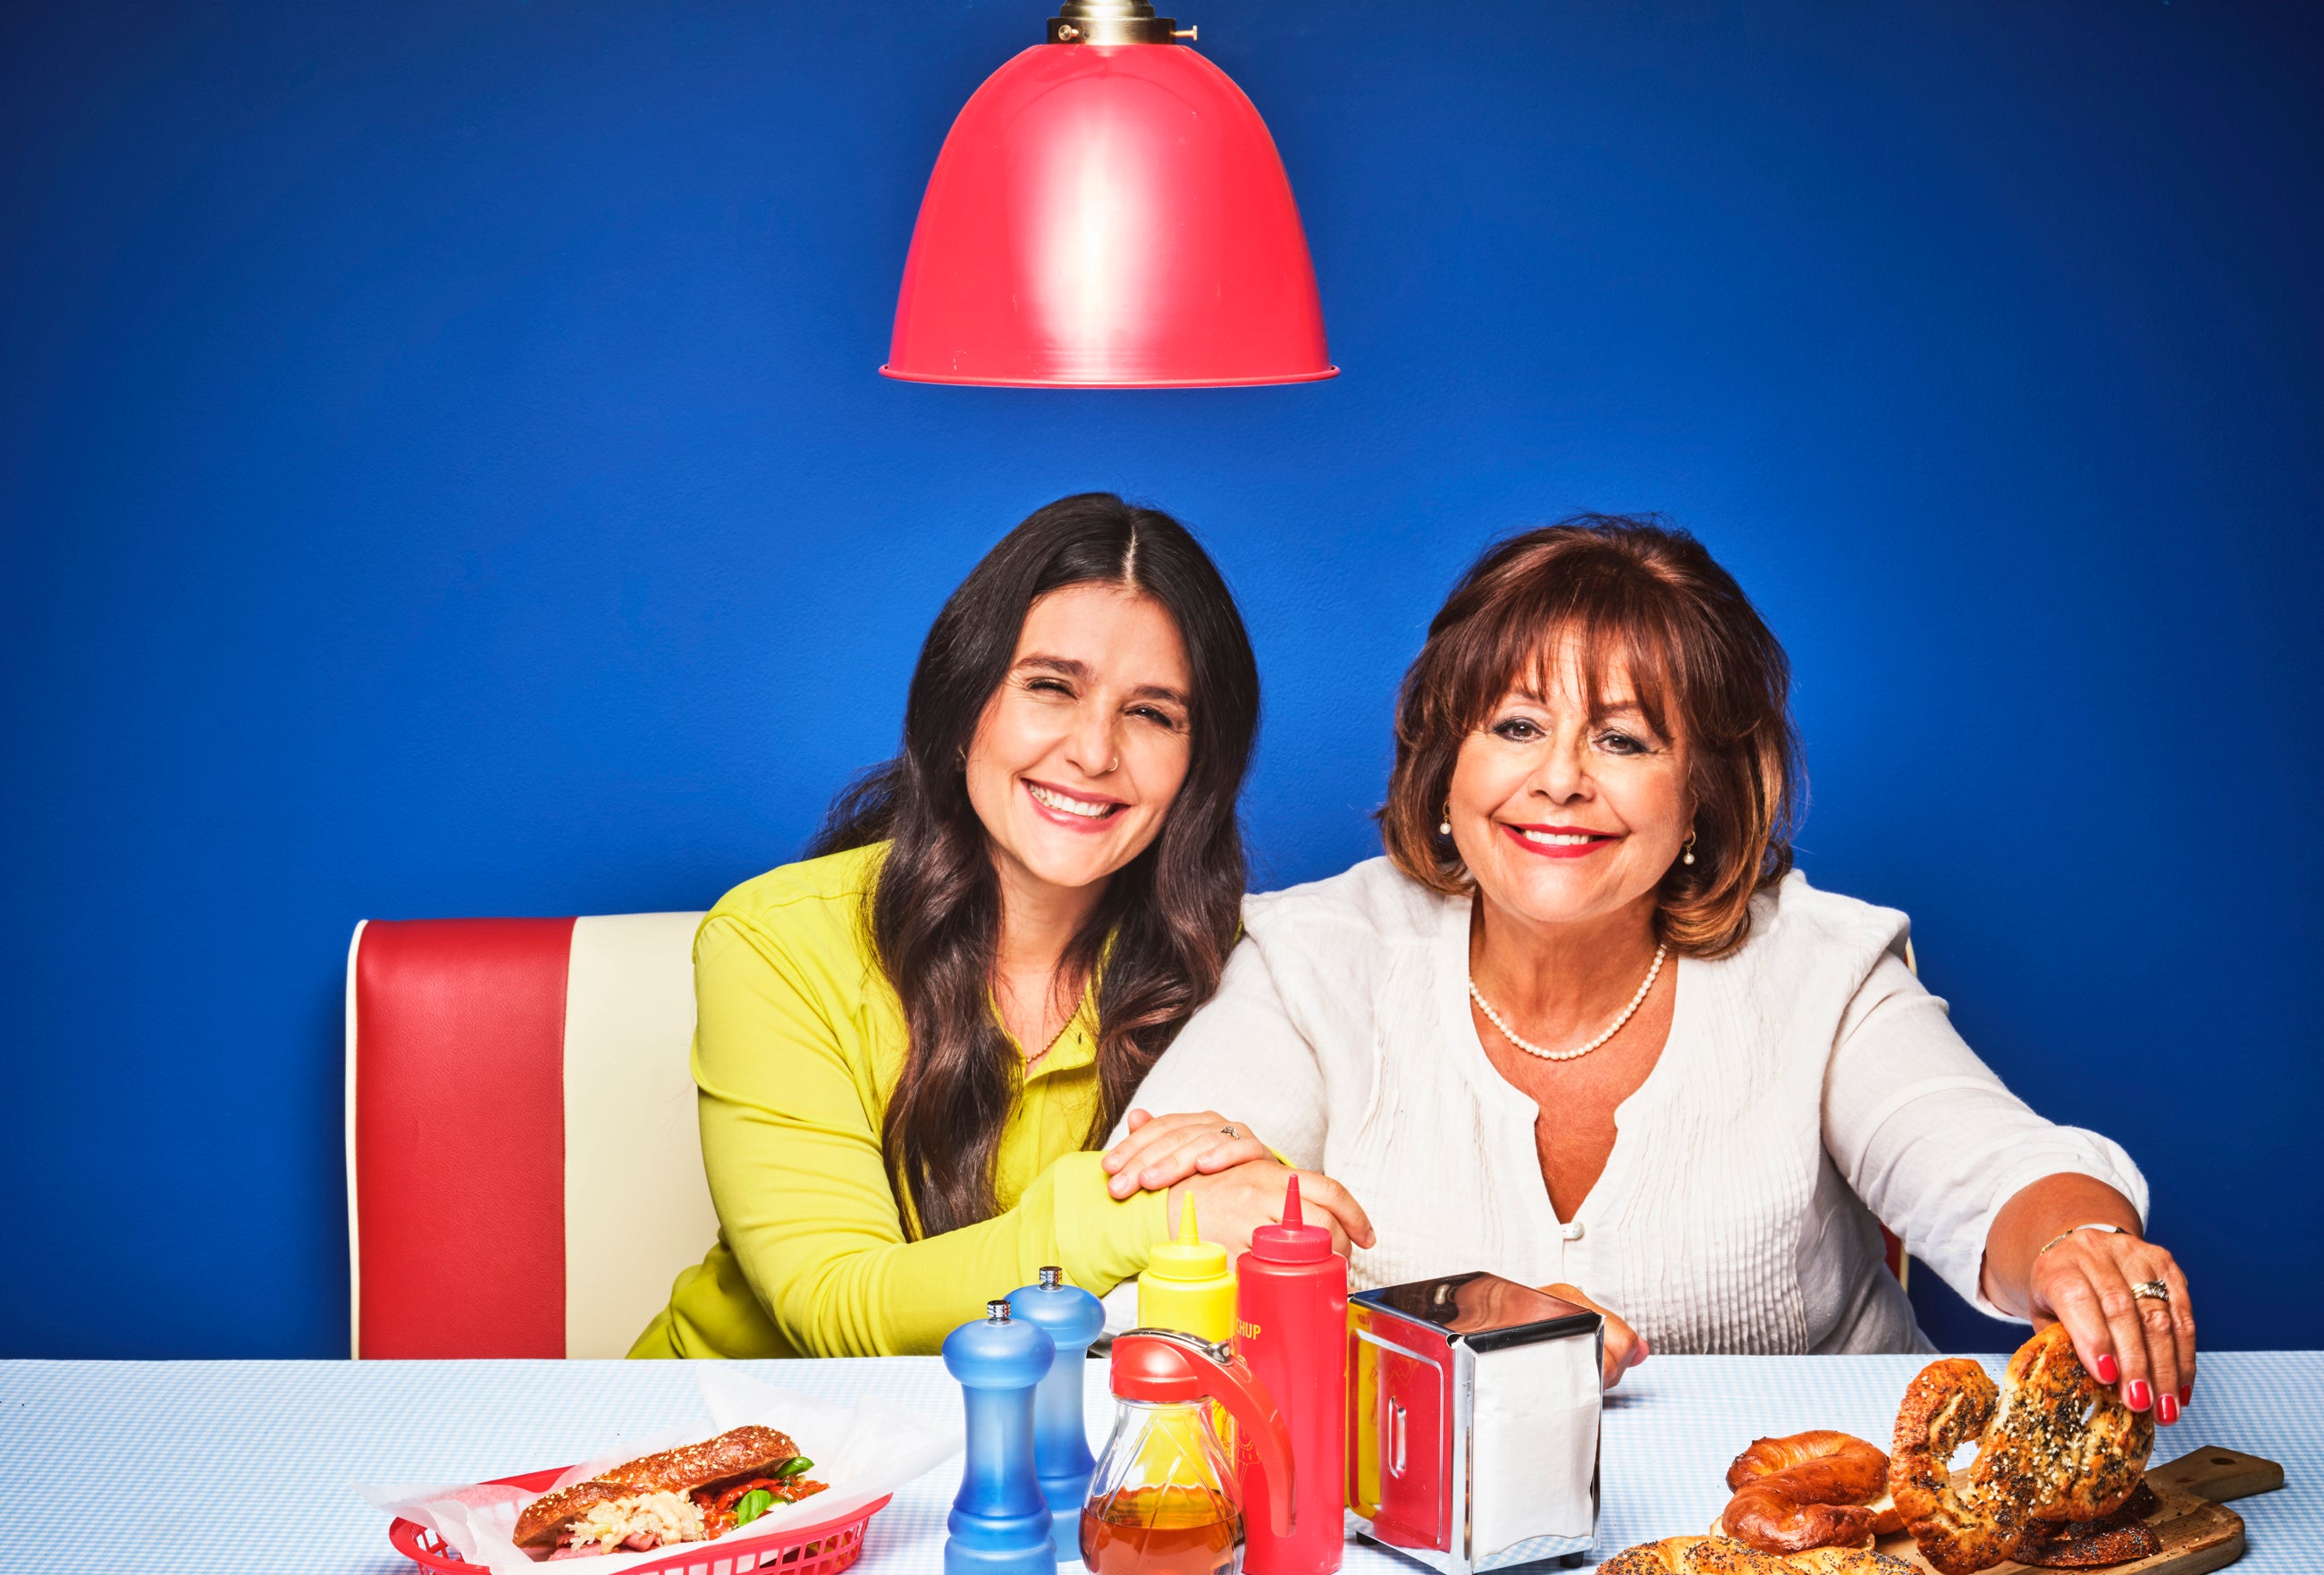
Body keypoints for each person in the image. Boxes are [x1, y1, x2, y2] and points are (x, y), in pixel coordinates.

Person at [1105, 517, 2195, 1419]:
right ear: (1444, 764)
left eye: (1623, 741)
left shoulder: (1820, 966)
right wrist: (1432, 1330)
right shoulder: (1311, 956)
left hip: (1827, 1540)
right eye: (1516, 724)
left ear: (1701, 796)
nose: (1561, 780)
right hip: (1406, 1517)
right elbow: (1149, 1257)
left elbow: (1989, 1167)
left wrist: (2076, 1246)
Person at [632, 493, 1371, 1360]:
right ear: (959, 712)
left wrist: (1237, 1175)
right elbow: (830, 1304)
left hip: (1033, 1445)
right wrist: (1152, 1213)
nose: (1093, 752)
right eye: (1050, 687)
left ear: (1195, 767)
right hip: (719, 1435)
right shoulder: (775, 939)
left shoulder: (1240, 969)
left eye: (1151, 712)